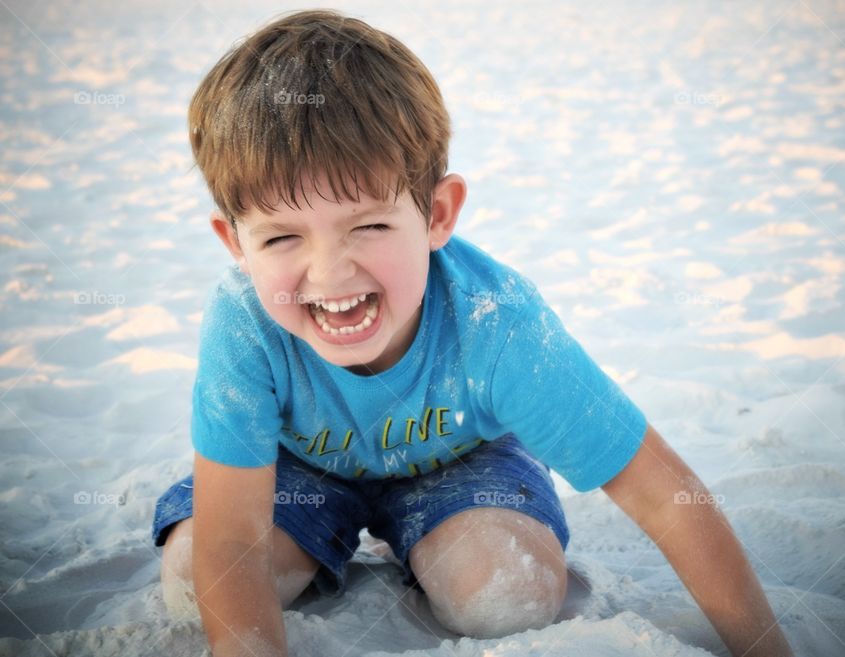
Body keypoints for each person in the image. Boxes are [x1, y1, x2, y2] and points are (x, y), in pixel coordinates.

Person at [151, 9, 793, 657]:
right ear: (235, 242)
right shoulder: (244, 322)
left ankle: (427, 540)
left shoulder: (498, 322)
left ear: (436, 214)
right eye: (282, 236)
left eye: (368, 226)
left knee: (506, 596)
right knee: (191, 583)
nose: (329, 271)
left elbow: (665, 495)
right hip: (301, 467)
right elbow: (232, 534)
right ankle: (329, 534)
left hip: (462, 460)